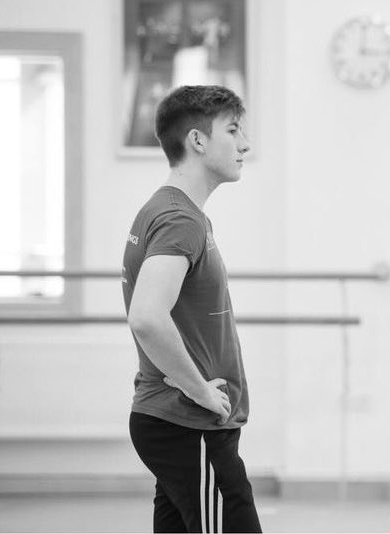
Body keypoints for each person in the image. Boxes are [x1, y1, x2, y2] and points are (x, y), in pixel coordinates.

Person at [122, 85, 261, 533]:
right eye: (234, 130)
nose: (245, 145)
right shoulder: (180, 218)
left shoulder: (172, 212)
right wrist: (200, 390)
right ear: (198, 141)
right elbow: (146, 315)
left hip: (179, 423)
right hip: (189, 423)